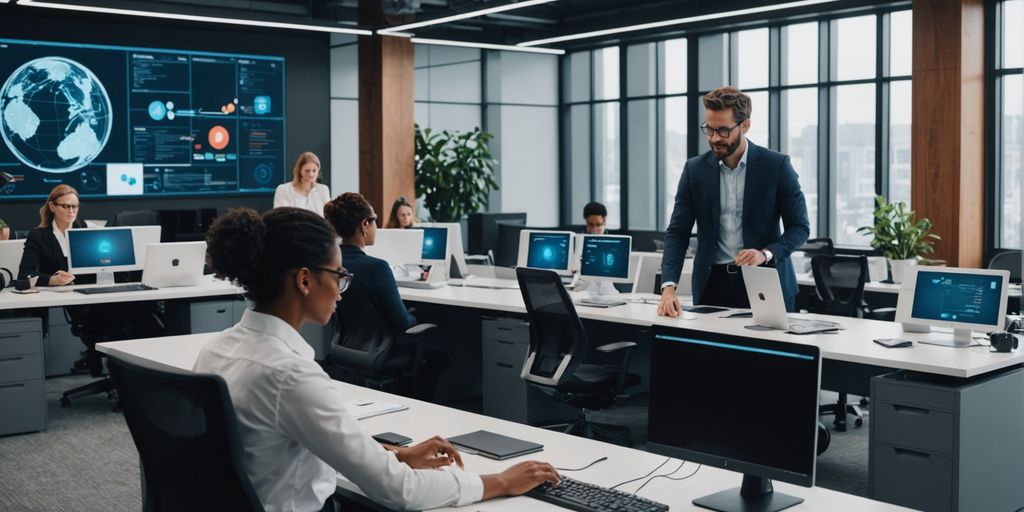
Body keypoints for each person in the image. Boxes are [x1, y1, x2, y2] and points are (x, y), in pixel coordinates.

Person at [197, 206, 559, 512]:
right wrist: (499, 481)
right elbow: (398, 491)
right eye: (339, 275)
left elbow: (283, 441)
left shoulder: (218, 350)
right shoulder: (290, 375)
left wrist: (394, 454)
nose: (342, 290)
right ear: (304, 280)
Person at [658, 86, 809, 317]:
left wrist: (765, 253)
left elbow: (800, 228)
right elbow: (677, 232)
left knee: (767, 353)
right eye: (709, 129)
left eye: (723, 131)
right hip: (712, 284)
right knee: (711, 353)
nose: (715, 138)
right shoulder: (694, 170)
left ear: (745, 126)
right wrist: (669, 287)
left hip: (765, 281)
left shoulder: (777, 166)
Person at [324, 192, 448, 400]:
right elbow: (403, 324)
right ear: (365, 225)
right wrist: (416, 316)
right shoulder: (377, 268)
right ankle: (416, 412)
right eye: (374, 221)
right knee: (439, 357)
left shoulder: (331, 262)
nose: (376, 227)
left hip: (346, 345)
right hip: (381, 351)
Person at [18, 184, 90, 286]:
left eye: (75, 206)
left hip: (86, 292)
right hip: (54, 296)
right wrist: (52, 280)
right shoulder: (38, 236)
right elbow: (24, 274)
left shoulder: (85, 230)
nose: (71, 211)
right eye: (65, 206)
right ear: (52, 206)